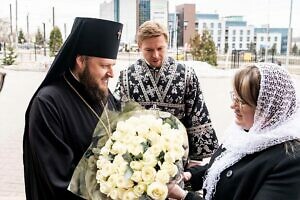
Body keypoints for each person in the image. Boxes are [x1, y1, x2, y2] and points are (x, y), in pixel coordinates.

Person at [23, 17, 123, 200]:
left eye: (112, 65)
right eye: (104, 65)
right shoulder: (47, 103)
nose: (111, 73)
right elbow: (58, 180)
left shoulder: (101, 92)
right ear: (80, 61)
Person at [167, 63, 300, 200]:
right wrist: (188, 176)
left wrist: (185, 196)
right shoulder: (244, 134)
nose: (233, 106)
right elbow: (222, 167)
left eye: (242, 101)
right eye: (234, 97)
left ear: (268, 108)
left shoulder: (290, 161)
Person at [114, 21, 218, 164]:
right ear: (139, 47)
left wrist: (195, 161)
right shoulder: (126, 77)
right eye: (149, 50)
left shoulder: (186, 75)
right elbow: (118, 120)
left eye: (160, 48)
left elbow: (196, 115)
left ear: (167, 44)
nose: (155, 55)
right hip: (138, 159)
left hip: (178, 157)